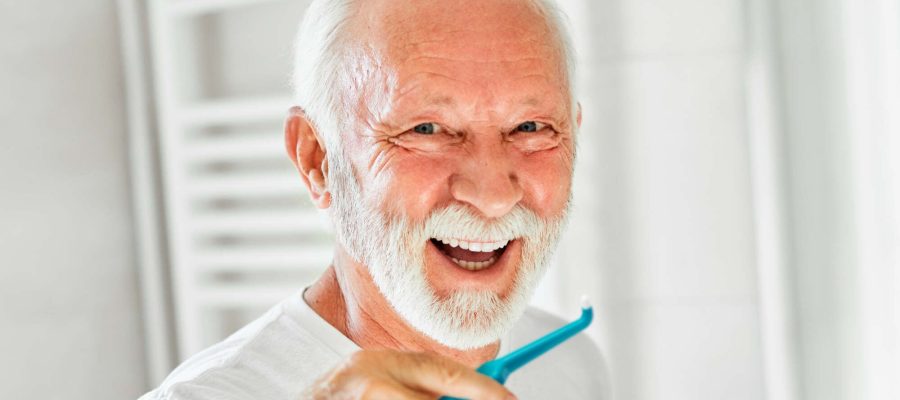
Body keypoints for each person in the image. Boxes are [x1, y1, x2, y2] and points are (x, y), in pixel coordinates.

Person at [141, 0, 609, 398]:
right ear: (317, 159)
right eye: (426, 130)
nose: (492, 197)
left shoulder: (572, 364)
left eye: (530, 128)